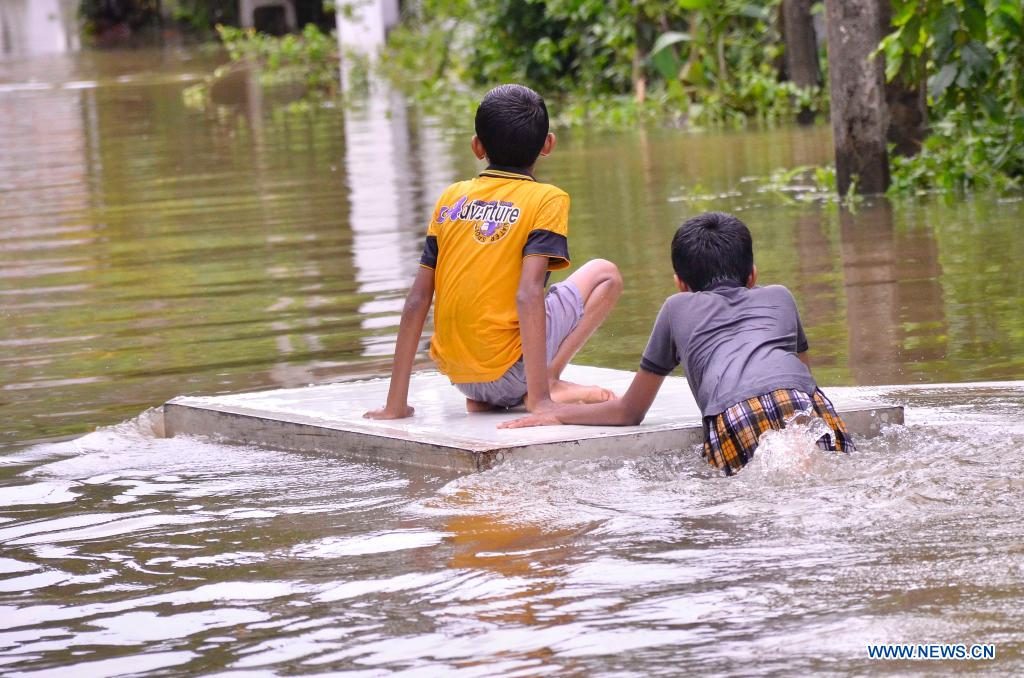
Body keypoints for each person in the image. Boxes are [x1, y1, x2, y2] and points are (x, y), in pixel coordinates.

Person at [500, 211, 854, 475]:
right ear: (753, 275)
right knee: (817, 474)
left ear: (679, 283)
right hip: (805, 403)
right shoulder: (780, 297)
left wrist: (554, 412)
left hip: (735, 412)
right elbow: (806, 379)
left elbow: (629, 412)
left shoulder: (676, 308)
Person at [364, 84, 622, 420]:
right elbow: (528, 293)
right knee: (605, 274)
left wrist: (395, 405)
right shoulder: (547, 199)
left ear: (477, 147)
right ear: (548, 145)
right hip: (511, 373)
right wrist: (542, 403)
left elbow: (417, 299)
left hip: (462, 378)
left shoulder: (451, 198)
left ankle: (499, 395)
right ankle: (544, 385)